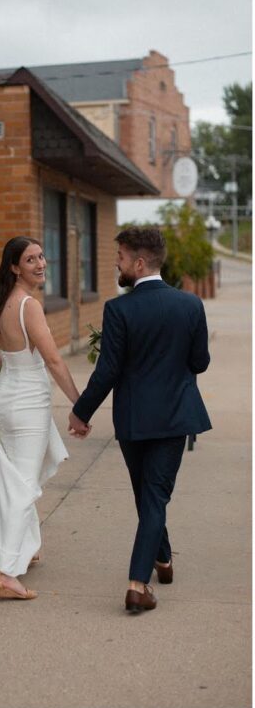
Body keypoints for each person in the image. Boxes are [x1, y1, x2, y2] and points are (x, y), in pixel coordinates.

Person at [69, 227, 211, 613]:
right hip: (174, 416)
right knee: (153, 496)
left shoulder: (119, 310)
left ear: (140, 262)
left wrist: (81, 412)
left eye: (120, 257)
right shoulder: (190, 305)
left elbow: (107, 371)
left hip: (133, 420)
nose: (116, 264)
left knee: (148, 495)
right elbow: (200, 362)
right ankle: (161, 560)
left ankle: (137, 584)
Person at [0, 236, 86, 600]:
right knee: (22, 484)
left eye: (41, 256)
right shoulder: (28, 305)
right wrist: (80, 406)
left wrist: (8, 360)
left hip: (7, 396)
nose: (41, 263)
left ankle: (25, 548)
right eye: (30, 259)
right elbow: (54, 361)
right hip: (26, 404)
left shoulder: (0, 300)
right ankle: (6, 573)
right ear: (15, 267)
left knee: (17, 477)